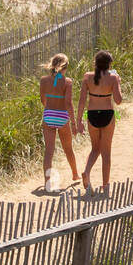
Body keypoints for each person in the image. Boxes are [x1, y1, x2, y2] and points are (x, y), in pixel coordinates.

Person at [76, 50, 123, 193]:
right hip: (107, 114)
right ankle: (105, 185)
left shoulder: (87, 77)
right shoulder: (113, 78)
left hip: (91, 114)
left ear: (95, 63)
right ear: (109, 64)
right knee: (106, 153)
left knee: (95, 149)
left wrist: (78, 121)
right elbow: (118, 100)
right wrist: (118, 82)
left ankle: (86, 171)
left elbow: (82, 100)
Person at [39, 53, 80, 192]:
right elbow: (68, 103)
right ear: (65, 67)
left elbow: (42, 100)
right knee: (68, 148)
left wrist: (50, 107)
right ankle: (75, 174)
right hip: (62, 117)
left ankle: (47, 182)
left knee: (49, 151)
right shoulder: (67, 82)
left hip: (48, 115)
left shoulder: (43, 80)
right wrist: (74, 123)